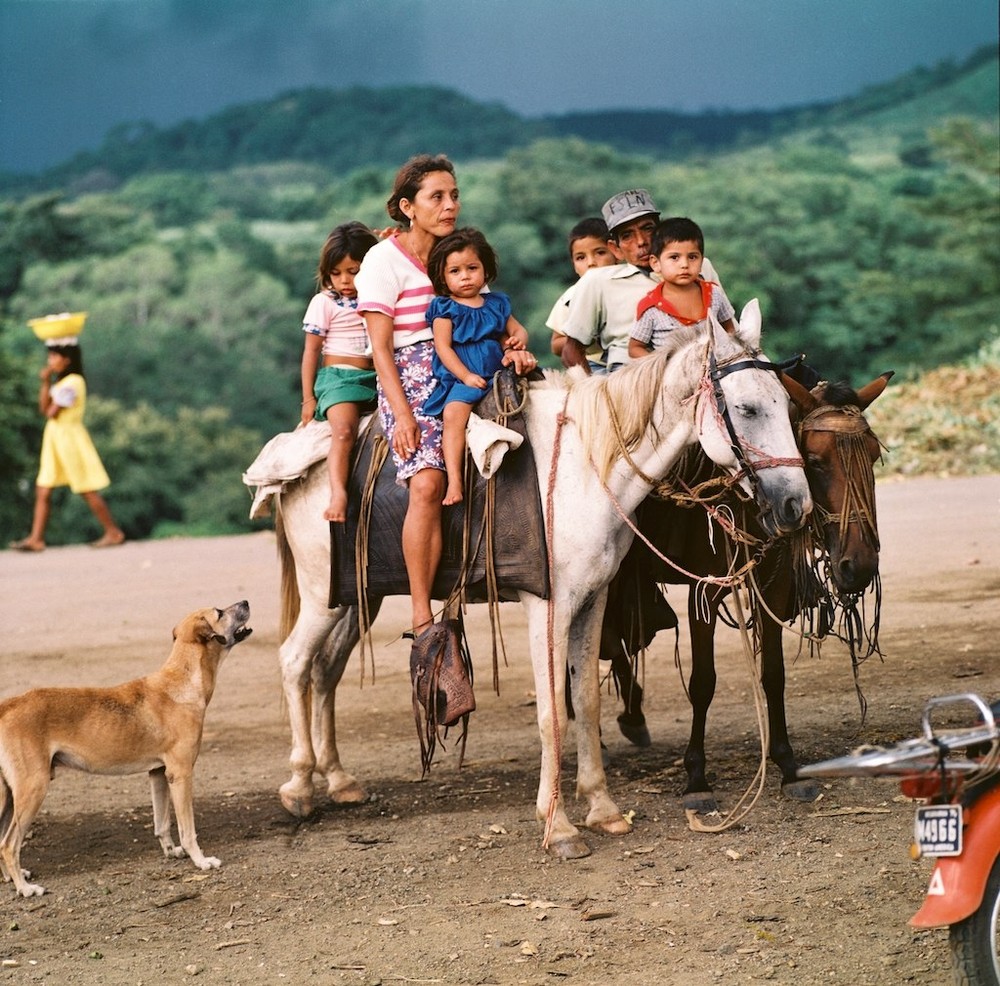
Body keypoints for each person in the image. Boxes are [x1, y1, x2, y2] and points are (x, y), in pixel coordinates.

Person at [354, 155, 536, 636]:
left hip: (473, 363)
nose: (450, 205)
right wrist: (402, 414)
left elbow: (487, 320)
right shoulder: (382, 261)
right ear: (407, 207)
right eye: (437, 196)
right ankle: (420, 611)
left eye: (454, 194)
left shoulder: (458, 254)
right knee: (428, 483)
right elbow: (379, 348)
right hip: (411, 373)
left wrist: (514, 349)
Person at [560, 188, 721, 373]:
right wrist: (593, 391)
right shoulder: (597, 281)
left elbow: (726, 325)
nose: (641, 242)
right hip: (632, 381)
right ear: (615, 248)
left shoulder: (698, 265)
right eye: (627, 235)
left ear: (661, 231)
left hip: (704, 371)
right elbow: (570, 351)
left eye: (648, 228)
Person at [423, 227, 530, 505]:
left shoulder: (496, 303)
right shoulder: (444, 308)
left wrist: (515, 343)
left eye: (472, 268)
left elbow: (518, 330)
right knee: (453, 416)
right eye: (455, 271)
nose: (465, 276)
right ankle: (455, 482)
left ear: (485, 269)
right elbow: (443, 348)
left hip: (499, 374)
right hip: (464, 378)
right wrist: (466, 376)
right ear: (443, 277)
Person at [9, 340, 125, 552]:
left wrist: (47, 382)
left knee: (86, 487)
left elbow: (51, 412)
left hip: (70, 438)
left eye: (54, 356)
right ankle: (36, 538)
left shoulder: (74, 382)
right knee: (43, 487)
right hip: (55, 437)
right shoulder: (60, 383)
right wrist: (45, 383)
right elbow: (44, 408)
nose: (50, 361)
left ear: (67, 360)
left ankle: (113, 532)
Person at [299, 221, 379, 522]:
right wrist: (308, 398)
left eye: (353, 271)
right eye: (336, 273)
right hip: (341, 378)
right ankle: (338, 492)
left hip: (377, 375)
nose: (344, 280)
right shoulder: (324, 302)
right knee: (344, 431)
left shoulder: (376, 298)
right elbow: (310, 351)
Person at [629, 217, 735, 358]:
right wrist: (661, 366)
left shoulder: (714, 294)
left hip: (716, 373)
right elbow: (635, 348)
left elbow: (729, 327)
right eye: (674, 257)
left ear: (701, 261)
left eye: (692, 257)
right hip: (672, 378)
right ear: (655, 263)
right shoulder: (651, 308)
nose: (684, 264)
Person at [546, 217, 618, 368]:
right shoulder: (570, 297)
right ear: (574, 265)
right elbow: (556, 344)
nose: (591, 262)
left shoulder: (628, 285)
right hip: (595, 364)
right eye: (581, 257)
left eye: (600, 253)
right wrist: (583, 337)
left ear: (616, 253)